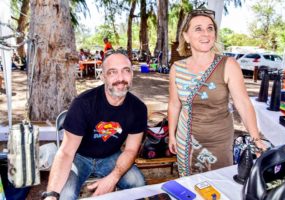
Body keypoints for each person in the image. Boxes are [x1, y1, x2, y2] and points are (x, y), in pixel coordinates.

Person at [168, 9, 267, 177]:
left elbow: (243, 103)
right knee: (190, 187)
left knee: (219, 185)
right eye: (198, 29)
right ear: (186, 36)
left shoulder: (228, 64)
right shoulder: (177, 69)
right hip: (186, 140)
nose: (206, 33)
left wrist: (256, 139)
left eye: (210, 28)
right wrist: (171, 135)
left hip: (218, 141)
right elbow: (174, 104)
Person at [43, 50, 147, 199]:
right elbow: (66, 152)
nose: (120, 78)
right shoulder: (83, 104)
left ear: (132, 74)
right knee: (64, 194)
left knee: (138, 183)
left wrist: (113, 178)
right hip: (79, 157)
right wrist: (51, 194)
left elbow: (131, 150)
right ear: (103, 76)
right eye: (112, 72)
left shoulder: (138, 109)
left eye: (126, 71)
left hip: (112, 156)